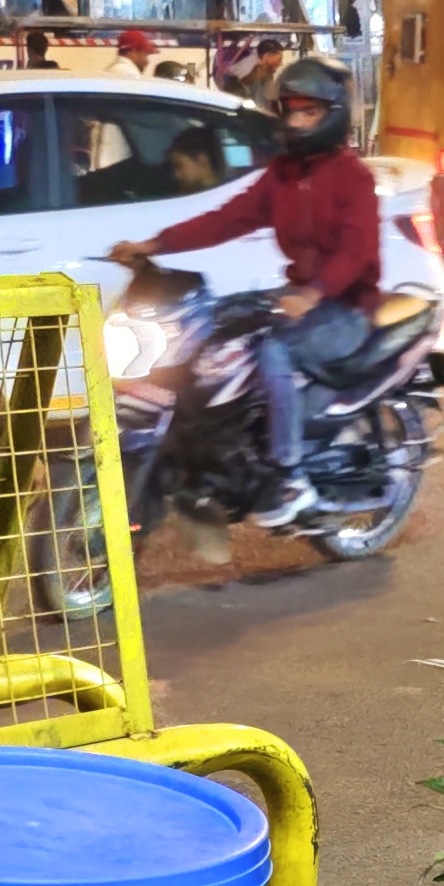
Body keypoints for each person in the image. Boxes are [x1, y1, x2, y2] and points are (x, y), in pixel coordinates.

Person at [110, 55, 384, 530]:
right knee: (216, 332)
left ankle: (289, 473)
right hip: (300, 295)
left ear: (335, 114)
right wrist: (155, 244)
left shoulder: (351, 177)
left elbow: (356, 252)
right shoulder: (284, 174)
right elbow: (227, 218)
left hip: (345, 308)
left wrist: (314, 293)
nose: (297, 120)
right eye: (291, 110)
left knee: (274, 353)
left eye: (310, 112)